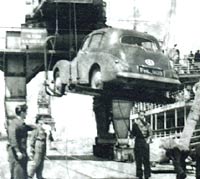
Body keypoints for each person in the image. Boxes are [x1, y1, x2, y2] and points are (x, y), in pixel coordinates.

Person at [7, 104, 33, 179]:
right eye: (25, 112)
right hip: (16, 155)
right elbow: (12, 138)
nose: (26, 114)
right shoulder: (14, 123)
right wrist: (17, 151)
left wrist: (37, 127)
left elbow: (26, 127)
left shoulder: (21, 123)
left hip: (22, 153)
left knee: (23, 175)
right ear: (22, 113)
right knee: (18, 175)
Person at [131, 110, 152, 179]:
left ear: (144, 116)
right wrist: (130, 134)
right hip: (138, 142)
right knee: (138, 159)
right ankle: (139, 175)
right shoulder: (135, 124)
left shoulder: (148, 124)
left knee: (146, 159)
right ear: (138, 116)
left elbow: (150, 134)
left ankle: (147, 175)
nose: (142, 117)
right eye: (140, 115)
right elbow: (133, 135)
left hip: (145, 142)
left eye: (143, 115)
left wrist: (148, 140)